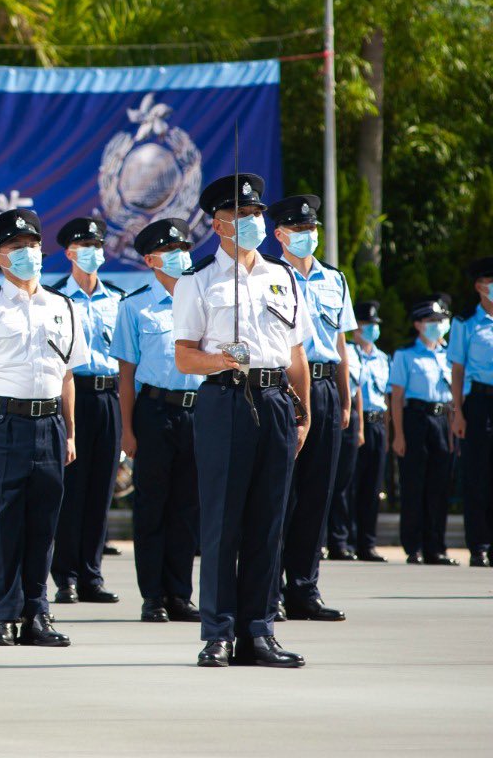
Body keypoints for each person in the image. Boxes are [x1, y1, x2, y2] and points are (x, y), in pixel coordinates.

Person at [172, 173, 313, 669]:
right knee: (222, 523)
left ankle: (259, 631)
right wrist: (220, 360)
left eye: (257, 214)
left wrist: (304, 414)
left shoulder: (283, 277)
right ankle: (219, 633)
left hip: (276, 400)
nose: (253, 222)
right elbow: (184, 356)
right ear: (219, 225)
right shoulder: (198, 280)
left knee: (268, 522)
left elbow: (296, 353)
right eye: (242, 216)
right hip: (226, 399)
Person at [0, 209, 85, 647]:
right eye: (16, 248)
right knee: (4, 523)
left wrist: (70, 432)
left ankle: (38, 614)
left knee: (44, 524)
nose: (28, 253)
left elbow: (67, 376)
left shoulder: (63, 306)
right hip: (5, 423)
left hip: (50, 423)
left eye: (32, 245)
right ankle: (4, 616)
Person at [264, 195, 353, 622]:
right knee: (280, 493)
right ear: (280, 235)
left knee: (318, 492)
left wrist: (346, 398)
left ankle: (304, 588)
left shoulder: (334, 279)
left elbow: (341, 343)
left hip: (325, 386)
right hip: (284, 388)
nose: (307, 235)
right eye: (298, 230)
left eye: (311, 228)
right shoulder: (268, 276)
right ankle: (270, 591)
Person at [111, 217, 202, 624]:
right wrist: (127, 430)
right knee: (151, 506)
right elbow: (126, 374)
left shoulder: (202, 301)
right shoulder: (135, 306)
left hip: (197, 410)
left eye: (183, 249)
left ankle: (180, 593)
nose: (180, 256)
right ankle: (153, 596)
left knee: (187, 506)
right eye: (170, 251)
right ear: (150, 260)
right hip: (154, 411)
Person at [47, 217, 125, 605]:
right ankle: (66, 576)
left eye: (97, 245)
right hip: (71, 394)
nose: (93, 252)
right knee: (71, 489)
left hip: (108, 395)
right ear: (69, 253)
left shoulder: (117, 299)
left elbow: (127, 359)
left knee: (101, 488)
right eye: (84, 246)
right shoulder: (56, 298)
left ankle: (92, 574)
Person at [389, 294, 456, 566]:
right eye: (431, 320)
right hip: (415, 419)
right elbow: (396, 397)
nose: (437, 325)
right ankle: (413, 546)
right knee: (414, 485)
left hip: (443, 420)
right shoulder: (405, 355)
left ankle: (436, 547)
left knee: (439, 486)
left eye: (439, 320)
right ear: (418, 324)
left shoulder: (449, 355)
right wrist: (398, 435)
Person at [450, 257, 493, 567]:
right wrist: (458, 412)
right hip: (478, 401)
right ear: (480, 286)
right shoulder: (465, 322)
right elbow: (458, 369)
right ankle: (479, 545)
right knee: (477, 474)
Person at [344, 300, 390, 562]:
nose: (372, 329)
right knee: (350, 484)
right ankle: (347, 540)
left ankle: (367, 543)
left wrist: (389, 432)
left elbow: (387, 397)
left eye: (374, 324)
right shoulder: (349, 353)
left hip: (377, 423)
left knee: (373, 487)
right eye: (366, 324)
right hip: (355, 422)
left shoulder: (383, 358)